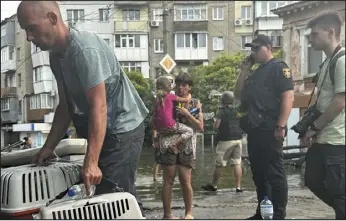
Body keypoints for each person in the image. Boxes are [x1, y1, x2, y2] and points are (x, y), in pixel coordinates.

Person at [17, 1, 149, 216]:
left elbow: (99, 106)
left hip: (123, 128)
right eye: (25, 31)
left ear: (52, 18)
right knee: (110, 193)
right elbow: (66, 106)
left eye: (31, 28)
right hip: (101, 126)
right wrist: (48, 148)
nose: (29, 37)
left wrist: (92, 162)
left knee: (113, 198)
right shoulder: (56, 55)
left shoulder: (84, 50)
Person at [234, 34, 294, 219]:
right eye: (252, 49)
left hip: (270, 127)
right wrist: (244, 70)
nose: (254, 52)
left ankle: (278, 214)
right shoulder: (255, 72)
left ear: (269, 47)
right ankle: (263, 212)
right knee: (259, 173)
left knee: (275, 172)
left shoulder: (279, 68)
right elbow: (237, 94)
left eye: (257, 48)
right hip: (254, 128)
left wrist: (281, 125)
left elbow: (288, 97)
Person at [302, 12, 345, 220]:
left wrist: (315, 127)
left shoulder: (342, 60)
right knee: (312, 180)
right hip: (323, 137)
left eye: (314, 35)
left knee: (338, 192)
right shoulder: (328, 61)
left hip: (337, 140)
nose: (310, 39)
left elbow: (340, 101)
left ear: (330, 32)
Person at [155, 72, 204, 219]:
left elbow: (201, 127)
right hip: (168, 144)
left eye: (185, 85)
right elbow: (156, 119)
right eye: (179, 85)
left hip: (187, 146)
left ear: (190, 87)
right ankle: (167, 214)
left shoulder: (195, 103)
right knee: (168, 179)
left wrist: (187, 114)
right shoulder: (166, 97)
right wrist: (156, 137)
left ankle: (188, 213)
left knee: (185, 180)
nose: (181, 88)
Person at [202, 91, 244, 193]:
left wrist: (214, 124)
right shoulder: (237, 110)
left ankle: (214, 185)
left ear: (222, 101)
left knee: (219, 164)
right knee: (237, 163)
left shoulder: (221, 111)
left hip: (226, 141)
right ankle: (238, 187)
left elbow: (216, 126)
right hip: (238, 140)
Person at [151, 76, 194, 154]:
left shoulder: (155, 98)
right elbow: (186, 100)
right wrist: (190, 95)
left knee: (161, 135)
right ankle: (174, 144)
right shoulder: (170, 96)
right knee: (190, 131)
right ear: (168, 88)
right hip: (170, 125)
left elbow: (154, 112)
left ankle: (156, 141)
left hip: (158, 126)